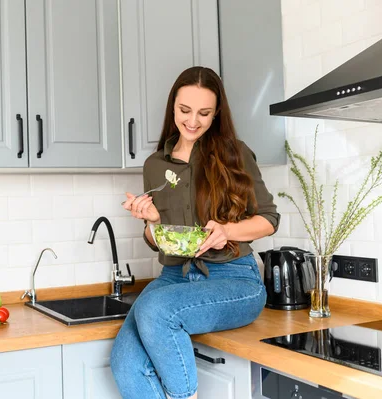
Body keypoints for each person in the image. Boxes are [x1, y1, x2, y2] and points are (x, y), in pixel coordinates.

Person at [114, 66, 280, 399]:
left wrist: (227, 230)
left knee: (153, 309)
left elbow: (269, 219)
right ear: (172, 108)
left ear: (217, 113)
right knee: (125, 362)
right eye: (184, 111)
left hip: (234, 279)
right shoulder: (155, 166)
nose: (193, 121)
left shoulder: (235, 153)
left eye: (204, 113)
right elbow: (157, 241)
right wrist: (151, 220)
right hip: (175, 278)